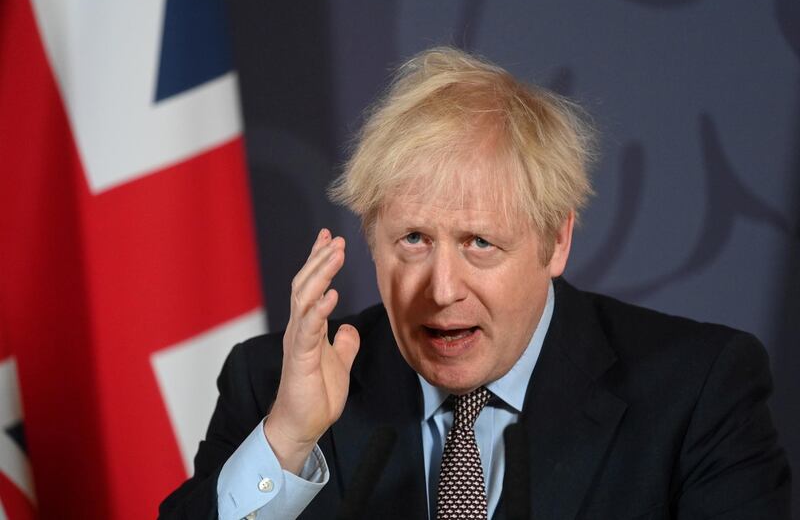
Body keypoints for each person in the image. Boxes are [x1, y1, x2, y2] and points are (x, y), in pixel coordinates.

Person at [159, 47, 791, 520]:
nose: (441, 290)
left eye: (479, 243)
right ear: (371, 239)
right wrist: (288, 442)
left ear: (556, 241)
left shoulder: (699, 390)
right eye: (413, 240)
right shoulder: (271, 382)